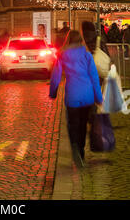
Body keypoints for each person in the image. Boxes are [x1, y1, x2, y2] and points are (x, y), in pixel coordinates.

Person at [49, 30, 103, 168]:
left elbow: (56, 76)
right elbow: (94, 78)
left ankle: (75, 148)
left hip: (72, 95)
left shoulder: (62, 55)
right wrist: (99, 97)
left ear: (69, 41)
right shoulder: (87, 55)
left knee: (73, 125)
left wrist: (53, 92)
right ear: (81, 41)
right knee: (83, 126)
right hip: (87, 96)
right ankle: (81, 152)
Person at [81, 21, 110, 86]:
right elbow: (107, 55)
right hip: (98, 70)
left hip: (85, 71)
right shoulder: (99, 39)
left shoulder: (80, 41)